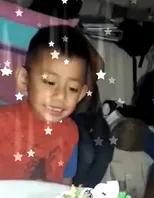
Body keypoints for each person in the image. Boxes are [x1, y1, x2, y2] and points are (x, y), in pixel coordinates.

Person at [0, 25, 91, 184]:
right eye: (50, 82)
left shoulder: (70, 133)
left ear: (81, 95)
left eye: (72, 89)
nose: (60, 95)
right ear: (24, 79)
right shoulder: (3, 123)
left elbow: (65, 183)